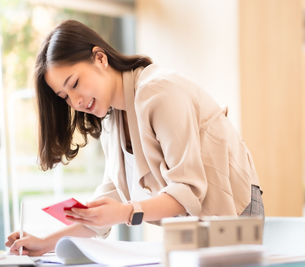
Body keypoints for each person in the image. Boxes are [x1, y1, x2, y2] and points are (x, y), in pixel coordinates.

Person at [5, 20, 264, 256]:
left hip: (233, 211)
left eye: (74, 84)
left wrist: (125, 212)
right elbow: (107, 207)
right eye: (65, 97)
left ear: (100, 58)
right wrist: (44, 242)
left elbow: (189, 190)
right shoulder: (112, 120)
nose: (76, 102)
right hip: (196, 229)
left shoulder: (159, 92)